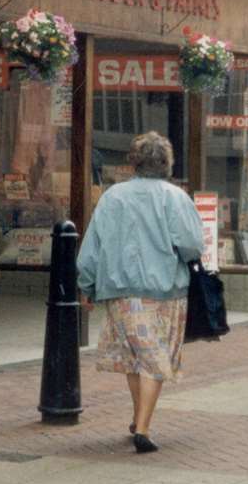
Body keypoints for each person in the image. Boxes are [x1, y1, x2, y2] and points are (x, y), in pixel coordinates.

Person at [76, 131, 203, 454]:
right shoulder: (175, 198)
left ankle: (137, 418)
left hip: (122, 291)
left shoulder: (113, 197)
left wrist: (86, 285)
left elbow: (92, 246)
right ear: (166, 163)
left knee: (137, 357)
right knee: (155, 357)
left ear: (133, 161)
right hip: (166, 290)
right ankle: (143, 428)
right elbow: (191, 247)